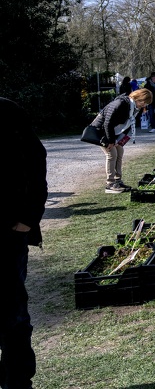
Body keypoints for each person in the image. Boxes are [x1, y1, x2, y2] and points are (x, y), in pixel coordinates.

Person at [0, 98, 47, 389]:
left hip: (6, 237)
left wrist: (28, 218)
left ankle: (18, 383)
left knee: (11, 314)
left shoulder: (8, 112)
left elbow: (35, 161)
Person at [89, 88, 152, 193]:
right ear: (137, 97)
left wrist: (121, 139)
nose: (144, 105)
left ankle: (118, 181)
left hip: (114, 132)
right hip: (101, 131)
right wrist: (111, 141)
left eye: (146, 103)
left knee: (120, 151)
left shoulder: (134, 108)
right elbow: (107, 122)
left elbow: (128, 125)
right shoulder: (120, 103)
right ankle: (110, 184)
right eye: (143, 102)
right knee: (111, 153)